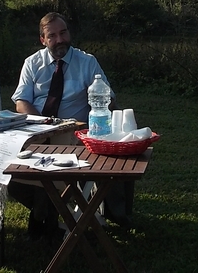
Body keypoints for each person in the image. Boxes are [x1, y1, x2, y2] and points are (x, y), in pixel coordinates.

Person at [10, 12, 129, 240]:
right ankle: (44, 212)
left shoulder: (87, 63)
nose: (60, 40)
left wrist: (100, 102)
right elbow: (21, 102)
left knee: (54, 172)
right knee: (11, 175)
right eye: (52, 36)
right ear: (43, 40)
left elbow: (109, 101)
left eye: (63, 33)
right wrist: (44, 125)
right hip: (37, 132)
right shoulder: (32, 63)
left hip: (74, 136)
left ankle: (44, 218)